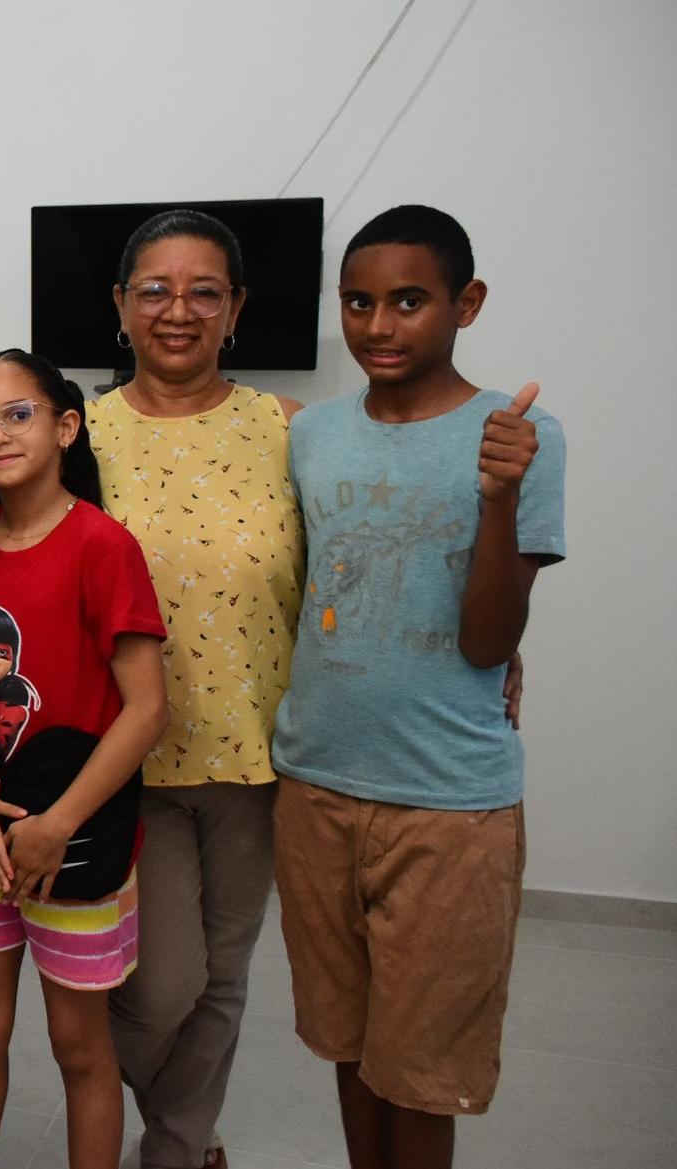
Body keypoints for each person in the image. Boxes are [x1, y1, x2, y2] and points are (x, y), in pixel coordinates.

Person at [271, 205, 563, 1169]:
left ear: (465, 304)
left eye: (409, 300)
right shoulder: (311, 436)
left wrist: (500, 498)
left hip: (446, 802)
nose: (379, 326)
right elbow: (314, 594)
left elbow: (487, 640)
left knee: (421, 1067)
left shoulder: (519, 436)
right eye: (359, 302)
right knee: (350, 1049)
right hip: (315, 785)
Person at [0, 350, 168, 1169]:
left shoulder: (101, 545)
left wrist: (59, 822)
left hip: (71, 840)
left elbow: (148, 707)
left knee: (78, 1042)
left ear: (64, 426)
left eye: (17, 414)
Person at [90, 210, 304, 1169]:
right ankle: (111, 1084)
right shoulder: (74, 434)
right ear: (121, 307)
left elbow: (351, 569)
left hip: (260, 748)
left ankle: (177, 1148)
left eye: (203, 290)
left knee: (225, 975)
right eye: (154, 289)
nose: (178, 311)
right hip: (126, 752)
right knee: (164, 984)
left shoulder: (288, 430)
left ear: (237, 309)